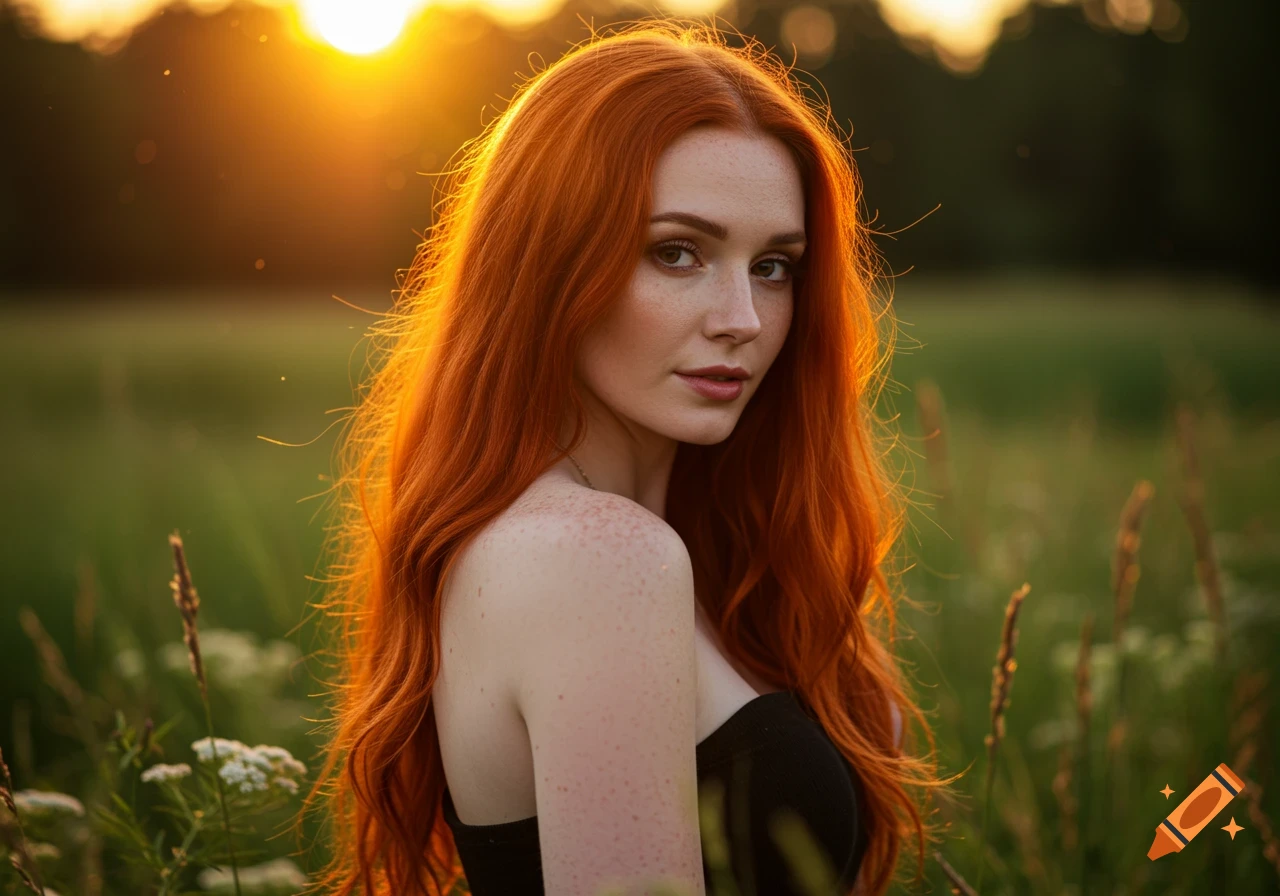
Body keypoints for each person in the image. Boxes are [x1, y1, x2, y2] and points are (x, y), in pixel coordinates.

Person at [305, 17, 947, 896]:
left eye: (774, 266)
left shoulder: (685, 545)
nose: (744, 319)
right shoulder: (594, 561)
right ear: (550, 263)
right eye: (676, 252)